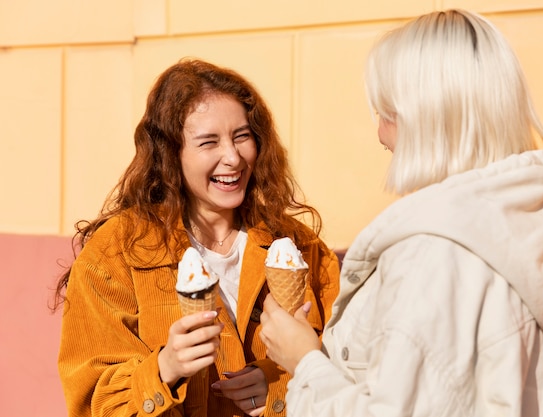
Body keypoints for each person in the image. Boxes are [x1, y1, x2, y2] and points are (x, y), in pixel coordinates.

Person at [259, 9, 543, 417]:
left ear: (429, 117)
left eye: (388, 113)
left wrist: (304, 361)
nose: (380, 132)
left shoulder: (437, 254)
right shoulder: (531, 229)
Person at [53, 58, 340, 417]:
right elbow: (94, 402)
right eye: (209, 143)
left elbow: (349, 359)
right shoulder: (114, 255)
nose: (232, 158)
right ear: (171, 154)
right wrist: (165, 369)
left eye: (242, 136)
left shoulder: (300, 246)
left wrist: (279, 382)